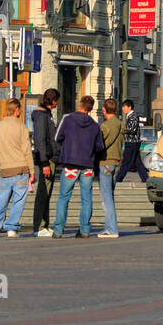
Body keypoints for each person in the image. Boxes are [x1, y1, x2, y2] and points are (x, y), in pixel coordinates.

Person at [51, 96, 102, 238]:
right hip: (87, 165)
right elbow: (99, 147)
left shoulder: (68, 119)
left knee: (64, 197)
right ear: (91, 108)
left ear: (79, 104)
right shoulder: (95, 125)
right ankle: (85, 229)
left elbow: (57, 137)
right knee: (87, 198)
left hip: (70, 164)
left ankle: (58, 230)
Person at [0, 98, 33, 237]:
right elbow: (26, 150)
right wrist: (32, 170)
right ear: (16, 109)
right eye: (20, 109)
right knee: (18, 200)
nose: (21, 112)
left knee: (1, 200)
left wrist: (1, 165)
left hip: (5, 169)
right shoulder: (21, 126)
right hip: (21, 168)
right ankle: (11, 228)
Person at [31, 89, 58, 237]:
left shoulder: (47, 114)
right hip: (46, 158)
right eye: (56, 100)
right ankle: (39, 226)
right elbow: (40, 141)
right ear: (53, 101)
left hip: (50, 157)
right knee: (43, 192)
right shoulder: (42, 116)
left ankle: (44, 224)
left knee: (47, 193)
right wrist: (45, 162)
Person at [97, 99, 123, 238]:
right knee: (110, 195)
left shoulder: (105, 126)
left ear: (104, 110)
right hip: (116, 161)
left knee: (106, 196)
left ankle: (111, 229)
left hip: (105, 161)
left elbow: (100, 144)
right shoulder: (120, 124)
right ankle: (110, 226)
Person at [116, 98, 150, 183]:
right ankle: (145, 179)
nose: (123, 109)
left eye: (124, 106)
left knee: (125, 162)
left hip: (131, 143)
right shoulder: (130, 116)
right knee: (137, 162)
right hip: (133, 142)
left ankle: (118, 179)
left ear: (129, 107)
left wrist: (121, 130)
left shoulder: (133, 117)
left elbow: (132, 130)